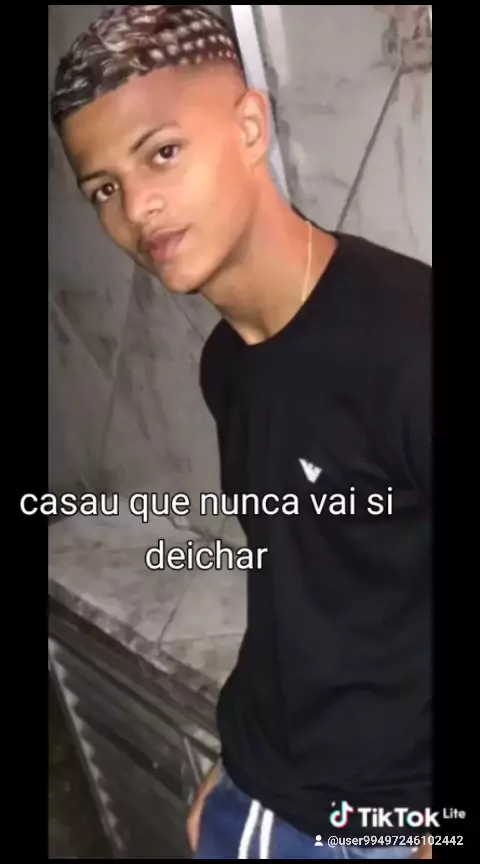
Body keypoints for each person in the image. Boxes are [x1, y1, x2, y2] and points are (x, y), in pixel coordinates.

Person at [50, 6, 433, 860]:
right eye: (103, 188)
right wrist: (239, 766)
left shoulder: (411, 346)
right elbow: (293, 580)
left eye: (162, 152)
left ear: (250, 126)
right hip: (258, 797)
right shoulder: (226, 363)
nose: (136, 208)